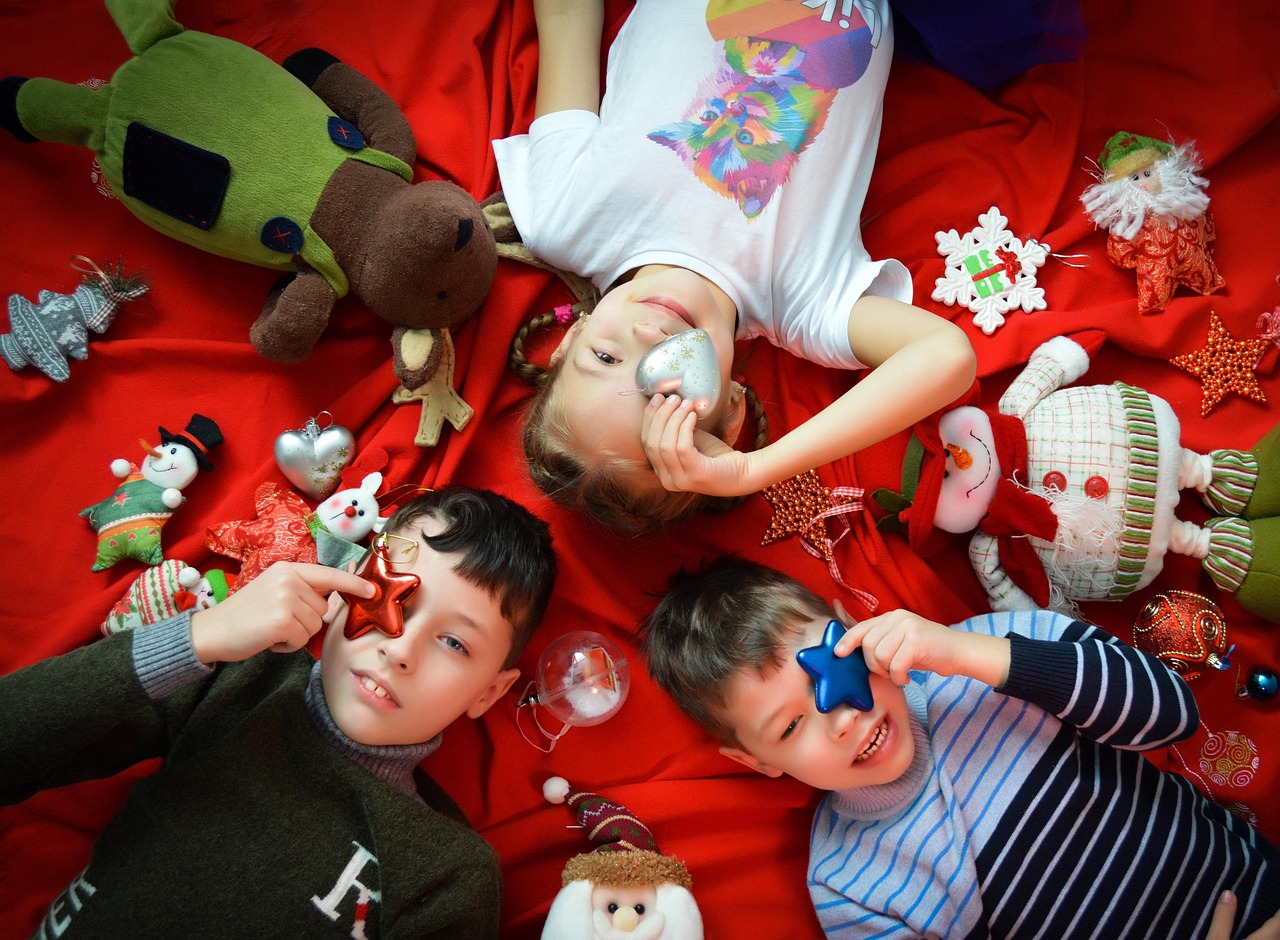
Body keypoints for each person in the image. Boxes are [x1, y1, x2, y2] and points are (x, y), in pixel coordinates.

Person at [496, 0, 976, 534]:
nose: (651, 337)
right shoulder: (803, 306)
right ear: (730, 410)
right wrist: (754, 470)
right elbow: (948, 355)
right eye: (670, 392)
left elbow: (566, 16)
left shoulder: (565, 219)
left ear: (570, 338)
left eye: (605, 356)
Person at [0, 486, 557, 939]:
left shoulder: (446, 874)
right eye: (390, 599)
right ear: (341, 590)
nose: (400, 650)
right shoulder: (233, 680)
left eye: (455, 643)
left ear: (489, 693)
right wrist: (197, 638)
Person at [639, 556, 1280, 938]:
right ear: (756, 763)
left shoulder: (989, 649)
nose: (841, 718)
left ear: (854, 624)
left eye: (829, 669)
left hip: (1255, 894)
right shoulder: (847, 886)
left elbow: (1171, 714)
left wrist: (967, 655)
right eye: (788, 728)